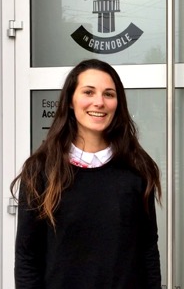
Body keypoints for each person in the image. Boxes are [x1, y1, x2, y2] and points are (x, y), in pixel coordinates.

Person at [11, 59, 162, 288]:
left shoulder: (137, 168)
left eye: (109, 94)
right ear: (71, 101)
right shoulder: (41, 170)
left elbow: (148, 249)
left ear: (117, 103)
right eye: (88, 92)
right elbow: (27, 258)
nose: (99, 102)